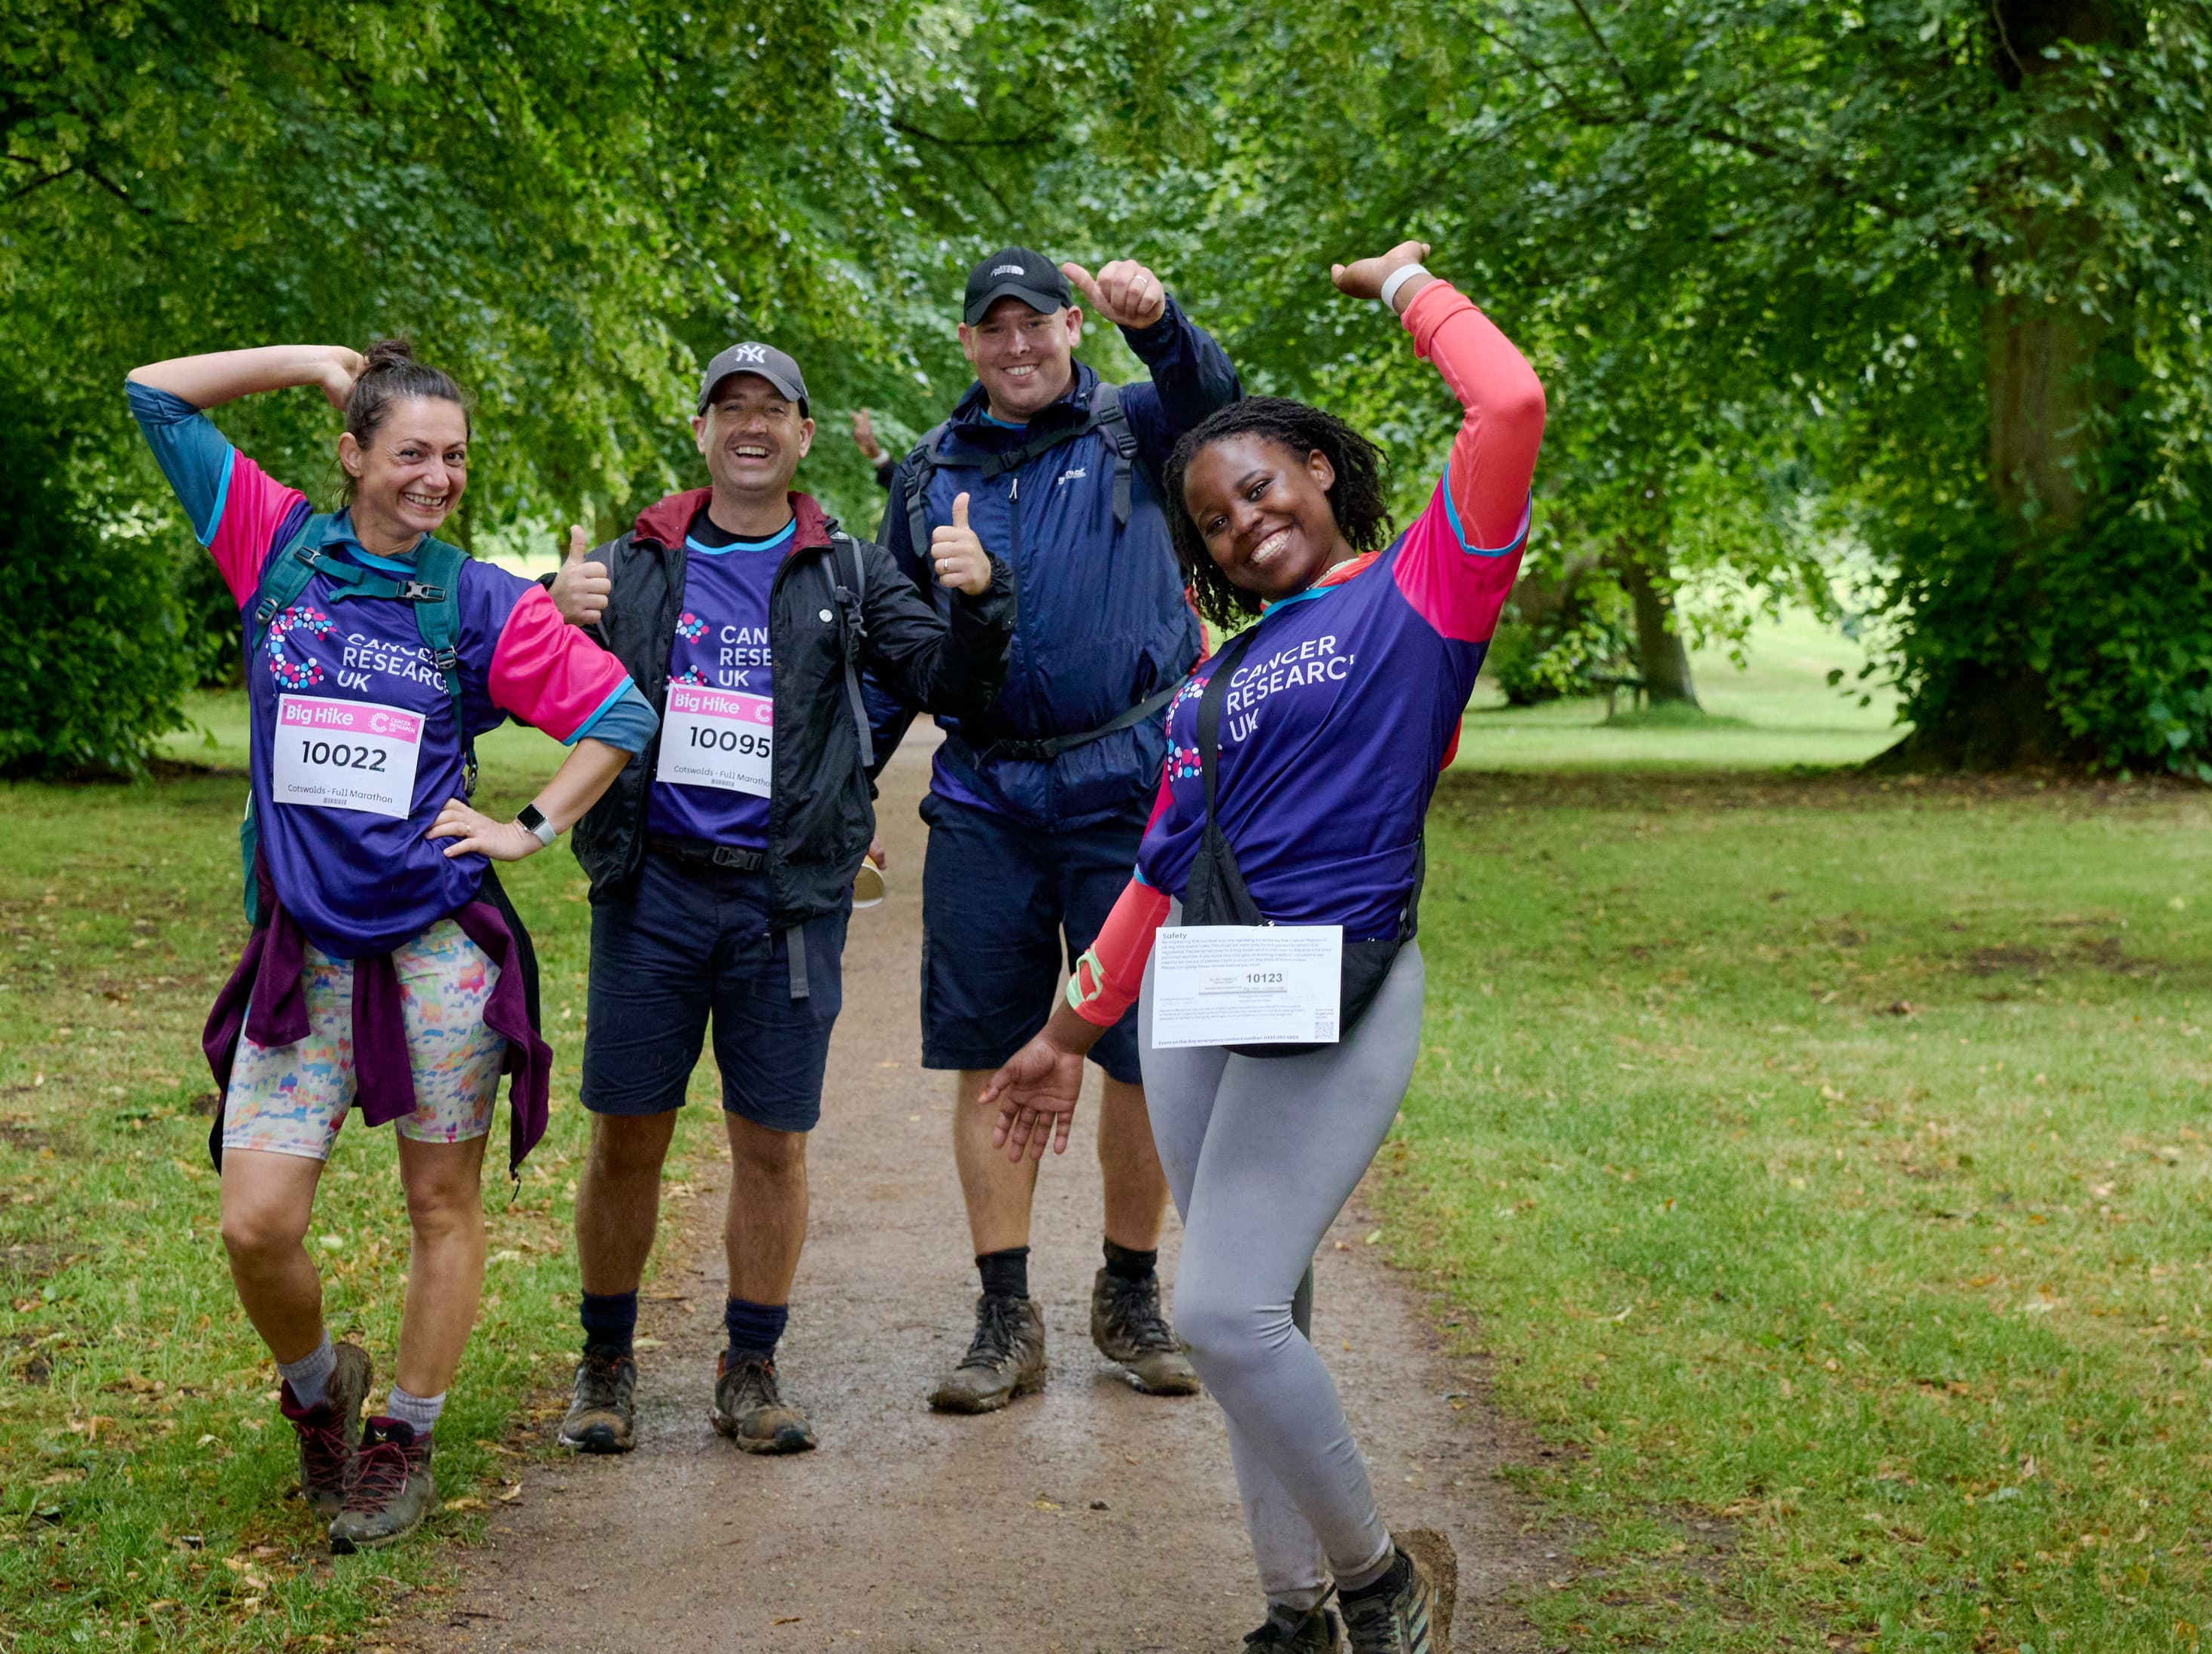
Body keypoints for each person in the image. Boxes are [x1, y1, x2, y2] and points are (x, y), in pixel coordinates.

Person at [981, 242, 1544, 1654]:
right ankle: (1292, 1615)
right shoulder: (1211, 682)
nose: (1242, 523)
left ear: (1316, 471)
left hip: (1340, 980)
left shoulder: (1423, 591)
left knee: (1222, 1313)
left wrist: (1413, 287)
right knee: (1260, 1311)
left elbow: (1510, 407)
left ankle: (1383, 1585)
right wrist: (1062, 1037)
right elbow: (1155, 878)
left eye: (1260, 487)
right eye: (1214, 522)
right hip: (1198, 996)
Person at [126, 339, 656, 1549]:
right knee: (256, 1222)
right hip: (302, 950)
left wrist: (528, 827)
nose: (435, 478)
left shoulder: (475, 601)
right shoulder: (275, 545)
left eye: (455, 457)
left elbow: (620, 710)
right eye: (410, 452)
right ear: (352, 454)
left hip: (435, 947)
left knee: (438, 1204)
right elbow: (154, 394)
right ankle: (322, 1393)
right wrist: (310, 360)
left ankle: (403, 1440)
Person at [543, 343, 1018, 1454]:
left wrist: (984, 597)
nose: (750, 426)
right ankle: (603, 1365)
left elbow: (950, 682)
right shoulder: (632, 563)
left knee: (773, 1146)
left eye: (774, 410)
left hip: (785, 906)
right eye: (730, 408)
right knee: (627, 1139)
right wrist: (549, 607)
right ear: (702, 431)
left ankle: (749, 1369)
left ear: (804, 438)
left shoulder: (847, 572)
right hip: (650, 893)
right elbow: (519, 681)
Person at [881, 247, 1241, 1409]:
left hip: (1132, 789)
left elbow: (1226, 415)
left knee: (1142, 1050)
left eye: (1036, 323)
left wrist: (1163, 323)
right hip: (987, 794)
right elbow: (895, 651)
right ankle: (1003, 1317)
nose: (1019, 346)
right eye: (995, 330)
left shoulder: (1138, 429)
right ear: (969, 344)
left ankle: (1129, 1294)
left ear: (1068, 329)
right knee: (989, 1048)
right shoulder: (929, 474)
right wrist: (846, 804)